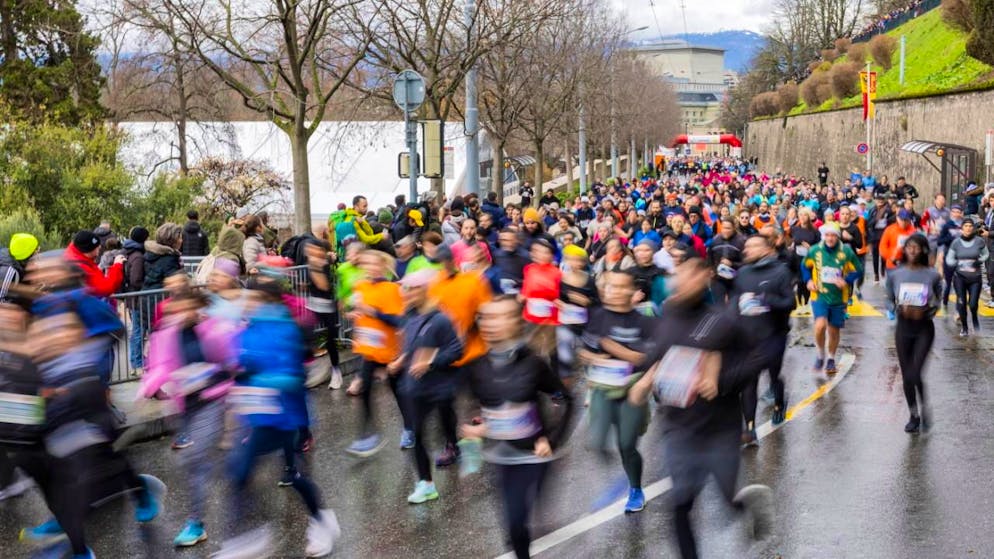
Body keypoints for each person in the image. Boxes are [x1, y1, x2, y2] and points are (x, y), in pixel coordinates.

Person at [629, 258, 772, 559]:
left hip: (719, 426)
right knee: (681, 502)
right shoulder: (666, 315)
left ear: (706, 277)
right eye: (678, 273)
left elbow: (760, 355)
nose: (683, 280)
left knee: (726, 497)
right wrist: (643, 379)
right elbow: (657, 355)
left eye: (691, 273)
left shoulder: (723, 321)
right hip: (678, 426)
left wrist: (720, 382)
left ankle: (747, 506)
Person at [217, 276, 339, 559]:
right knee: (291, 475)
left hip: (286, 417)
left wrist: (258, 378)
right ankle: (321, 520)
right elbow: (237, 367)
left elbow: (295, 378)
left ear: (269, 302)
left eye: (254, 299)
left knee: (243, 472)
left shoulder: (286, 330)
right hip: (257, 417)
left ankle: (249, 538)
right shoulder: (247, 330)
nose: (247, 304)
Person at [461, 296, 577, 559]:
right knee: (513, 526)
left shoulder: (533, 364)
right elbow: (476, 406)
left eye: (499, 316)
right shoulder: (477, 367)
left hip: (533, 456)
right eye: (486, 317)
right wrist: (475, 426)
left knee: (519, 519)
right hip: (499, 457)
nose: (490, 323)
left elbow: (566, 399)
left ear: (515, 322)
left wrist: (550, 439)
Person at [578, 270, 654, 514]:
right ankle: (623, 475)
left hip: (633, 390)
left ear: (633, 291)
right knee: (596, 442)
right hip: (602, 387)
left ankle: (634, 488)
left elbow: (646, 357)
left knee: (626, 444)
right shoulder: (598, 316)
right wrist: (597, 358)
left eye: (622, 287)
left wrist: (615, 350)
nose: (616, 292)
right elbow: (584, 351)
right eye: (611, 287)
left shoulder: (643, 321)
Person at [388, 269, 464, 504]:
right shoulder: (408, 316)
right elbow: (412, 345)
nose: (406, 293)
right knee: (417, 434)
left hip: (439, 387)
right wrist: (402, 359)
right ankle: (426, 483)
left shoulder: (440, 319)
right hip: (416, 387)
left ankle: (455, 444)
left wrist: (431, 362)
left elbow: (456, 350)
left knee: (445, 423)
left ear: (423, 290)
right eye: (405, 289)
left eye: (410, 289)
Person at [732, 235, 796, 444]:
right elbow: (735, 302)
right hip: (748, 335)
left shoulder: (780, 271)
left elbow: (790, 302)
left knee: (773, 375)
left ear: (767, 249)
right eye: (746, 246)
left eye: (753, 246)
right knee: (749, 380)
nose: (747, 250)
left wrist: (766, 299)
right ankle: (749, 428)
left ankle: (779, 402)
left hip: (774, 334)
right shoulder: (742, 273)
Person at [345, 250, 407, 455]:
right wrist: (355, 313)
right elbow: (359, 311)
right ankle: (367, 436)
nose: (370, 267)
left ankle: (410, 428)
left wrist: (374, 313)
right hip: (369, 351)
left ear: (382, 266)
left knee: (399, 393)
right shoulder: (360, 286)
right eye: (366, 264)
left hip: (389, 352)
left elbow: (399, 321)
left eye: (374, 263)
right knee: (365, 391)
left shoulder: (391, 289)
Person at [884, 235, 941, 433]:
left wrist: (927, 310)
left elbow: (938, 300)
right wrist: (899, 309)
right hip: (904, 329)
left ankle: (925, 406)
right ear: (905, 250)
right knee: (907, 376)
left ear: (924, 250)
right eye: (909, 247)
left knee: (915, 372)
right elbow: (889, 300)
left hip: (924, 329)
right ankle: (913, 414)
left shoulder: (932, 275)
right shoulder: (894, 274)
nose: (913, 251)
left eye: (917, 247)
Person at [801, 223, 862, 374]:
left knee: (833, 331)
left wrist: (846, 281)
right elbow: (804, 266)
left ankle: (831, 358)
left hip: (838, 298)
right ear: (823, 236)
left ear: (838, 236)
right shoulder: (815, 250)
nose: (830, 238)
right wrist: (808, 280)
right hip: (819, 295)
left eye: (833, 235)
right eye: (827, 235)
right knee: (820, 325)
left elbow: (858, 270)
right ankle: (820, 354)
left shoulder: (846, 252)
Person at [946, 217, 989, 336]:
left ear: (973, 228)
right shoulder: (956, 243)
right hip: (960, 277)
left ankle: (975, 319)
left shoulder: (979, 241)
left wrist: (979, 260)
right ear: (962, 229)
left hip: (975, 278)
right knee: (961, 302)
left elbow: (986, 254)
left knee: (973, 304)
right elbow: (949, 258)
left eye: (970, 226)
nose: (968, 228)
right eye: (966, 226)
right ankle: (964, 327)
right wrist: (956, 263)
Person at [63, 230, 126, 298]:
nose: (99, 247)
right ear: (89, 249)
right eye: (97, 247)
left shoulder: (79, 260)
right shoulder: (81, 267)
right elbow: (105, 288)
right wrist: (117, 265)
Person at [937, 204, 964, 307]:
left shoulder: (966, 225)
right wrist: (951, 236)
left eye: (958, 212)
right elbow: (940, 241)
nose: (956, 214)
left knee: (960, 281)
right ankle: (945, 300)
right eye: (954, 212)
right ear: (951, 213)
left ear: (961, 213)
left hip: (962, 257)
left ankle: (960, 301)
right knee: (948, 281)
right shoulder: (947, 225)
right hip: (949, 256)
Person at [143, 223, 184, 291]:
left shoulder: (152, 254)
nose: (181, 240)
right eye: (179, 237)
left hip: (147, 296)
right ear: (173, 240)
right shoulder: (169, 259)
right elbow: (175, 281)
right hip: (160, 298)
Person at [0, 233, 38, 302]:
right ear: (28, 254)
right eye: (35, 250)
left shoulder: (15, 260)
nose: (37, 252)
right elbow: (1, 300)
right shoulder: (10, 271)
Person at [879, 209, 919, 273]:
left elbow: (918, 248)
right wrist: (891, 256)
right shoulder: (889, 229)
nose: (903, 222)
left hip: (908, 266)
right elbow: (882, 247)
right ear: (897, 218)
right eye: (901, 219)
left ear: (909, 220)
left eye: (906, 220)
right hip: (892, 265)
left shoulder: (913, 231)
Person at [866, 196, 894, 282]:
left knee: (883, 253)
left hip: (884, 234)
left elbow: (892, 220)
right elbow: (868, 223)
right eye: (878, 200)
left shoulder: (888, 210)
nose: (880, 202)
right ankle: (876, 273)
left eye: (881, 200)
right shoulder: (872, 210)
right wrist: (876, 219)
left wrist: (886, 220)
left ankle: (883, 268)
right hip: (874, 235)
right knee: (875, 255)